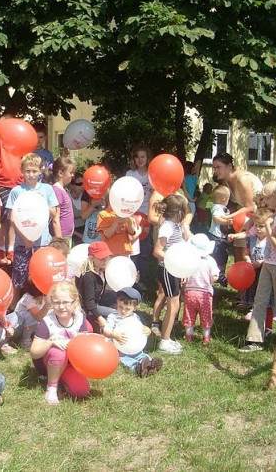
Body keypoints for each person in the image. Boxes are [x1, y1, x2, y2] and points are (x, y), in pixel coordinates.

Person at [239, 179, 276, 352]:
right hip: (269, 264)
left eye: (268, 197)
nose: (265, 201)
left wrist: (267, 225)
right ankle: (255, 339)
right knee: (260, 300)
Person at [6, 153, 59, 303]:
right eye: (27, 171)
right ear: (22, 171)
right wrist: (24, 238)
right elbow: (12, 218)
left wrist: (42, 203)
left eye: (34, 171)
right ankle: (14, 308)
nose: (31, 174)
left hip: (42, 243)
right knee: (19, 277)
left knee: (43, 275)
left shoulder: (47, 189)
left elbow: (54, 213)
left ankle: (44, 307)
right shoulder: (17, 191)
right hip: (23, 243)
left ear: (40, 171)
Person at [30, 281, 91, 405]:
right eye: (57, 303)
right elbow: (34, 353)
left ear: (75, 303)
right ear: (52, 303)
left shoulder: (80, 319)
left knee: (81, 391)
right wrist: (51, 342)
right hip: (47, 363)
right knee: (59, 350)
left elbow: (84, 346)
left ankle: (62, 379)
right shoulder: (47, 322)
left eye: (66, 302)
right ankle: (51, 387)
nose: (61, 306)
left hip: (70, 363)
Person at [153, 193, 191, 354]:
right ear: (178, 212)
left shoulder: (175, 226)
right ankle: (164, 341)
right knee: (173, 306)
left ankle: (166, 338)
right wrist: (174, 263)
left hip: (174, 270)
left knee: (174, 306)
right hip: (167, 270)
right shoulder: (167, 226)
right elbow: (157, 251)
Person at [212, 152, 263, 261]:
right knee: (237, 250)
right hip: (244, 217)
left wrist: (228, 217)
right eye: (214, 168)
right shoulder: (226, 181)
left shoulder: (242, 179)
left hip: (260, 216)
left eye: (218, 167)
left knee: (248, 254)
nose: (215, 171)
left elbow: (251, 207)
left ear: (229, 166)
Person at [102, 287, 163, 377]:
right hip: (119, 349)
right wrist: (114, 335)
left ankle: (150, 364)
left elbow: (139, 330)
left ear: (134, 308)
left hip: (135, 348)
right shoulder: (113, 316)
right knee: (125, 359)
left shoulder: (135, 317)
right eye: (120, 307)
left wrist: (148, 331)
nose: (123, 311)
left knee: (142, 355)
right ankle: (137, 368)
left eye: (127, 309)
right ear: (117, 303)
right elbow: (105, 331)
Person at [0, 114, 22, 265]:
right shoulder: (0, 141)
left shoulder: (21, 141)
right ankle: (1, 248)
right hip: (1, 183)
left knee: (13, 220)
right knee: (0, 219)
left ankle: (11, 249)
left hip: (18, 184)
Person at [126, 144, 155, 290]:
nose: (140, 160)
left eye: (143, 156)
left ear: (148, 158)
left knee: (144, 249)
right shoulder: (130, 174)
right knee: (131, 249)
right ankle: (130, 278)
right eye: (137, 157)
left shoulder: (152, 174)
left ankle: (142, 279)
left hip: (147, 215)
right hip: (131, 215)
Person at [182, 234, 219, 345]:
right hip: (205, 294)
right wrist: (213, 280)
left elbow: (183, 274)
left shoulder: (189, 260)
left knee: (189, 315)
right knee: (206, 316)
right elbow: (214, 276)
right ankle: (206, 338)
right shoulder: (210, 261)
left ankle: (189, 336)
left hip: (190, 292)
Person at [76, 241, 116, 331]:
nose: (105, 260)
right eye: (101, 258)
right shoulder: (88, 276)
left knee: (118, 297)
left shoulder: (102, 270)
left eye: (107, 257)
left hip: (97, 300)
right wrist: (99, 317)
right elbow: (89, 302)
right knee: (115, 313)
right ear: (91, 258)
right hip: (86, 308)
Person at [6, 279, 49, 350]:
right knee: (31, 316)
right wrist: (48, 305)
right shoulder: (28, 297)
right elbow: (38, 317)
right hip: (17, 327)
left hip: (30, 327)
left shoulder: (46, 297)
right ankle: (25, 341)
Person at [207, 185, 232, 285]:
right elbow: (216, 219)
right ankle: (216, 274)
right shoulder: (216, 207)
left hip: (222, 237)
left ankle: (220, 274)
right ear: (224, 199)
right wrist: (226, 222)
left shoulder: (224, 209)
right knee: (215, 255)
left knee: (223, 255)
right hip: (216, 237)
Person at [50, 157, 75, 247]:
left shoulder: (63, 190)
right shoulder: (57, 191)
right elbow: (55, 219)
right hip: (61, 237)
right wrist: (59, 240)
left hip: (66, 236)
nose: (72, 175)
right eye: (70, 172)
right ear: (60, 173)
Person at [69, 172, 86, 246]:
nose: (82, 186)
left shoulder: (85, 199)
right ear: (71, 185)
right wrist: (79, 235)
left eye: (84, 184)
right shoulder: (66, 199)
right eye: (79, 184)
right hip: (72, 234)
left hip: (85, 232)